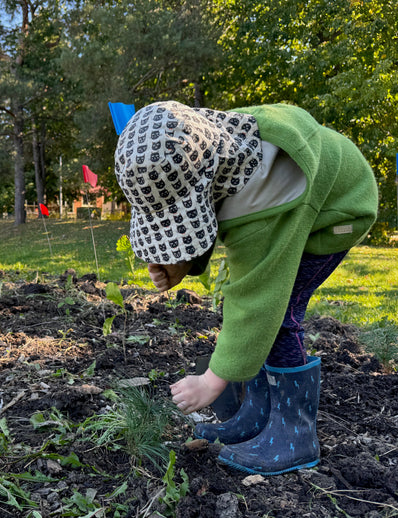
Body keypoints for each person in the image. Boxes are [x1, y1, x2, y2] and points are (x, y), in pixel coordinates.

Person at [113, 100, 378, 475]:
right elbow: (209, 208)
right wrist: (182, 264)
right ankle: (257, 416)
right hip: (302, 200)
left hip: (336, 213)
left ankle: (294, 436)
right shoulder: (212, 146)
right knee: (254, 308)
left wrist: (211, 381)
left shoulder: (265, 195)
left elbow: (258, 300)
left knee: (279, 312)